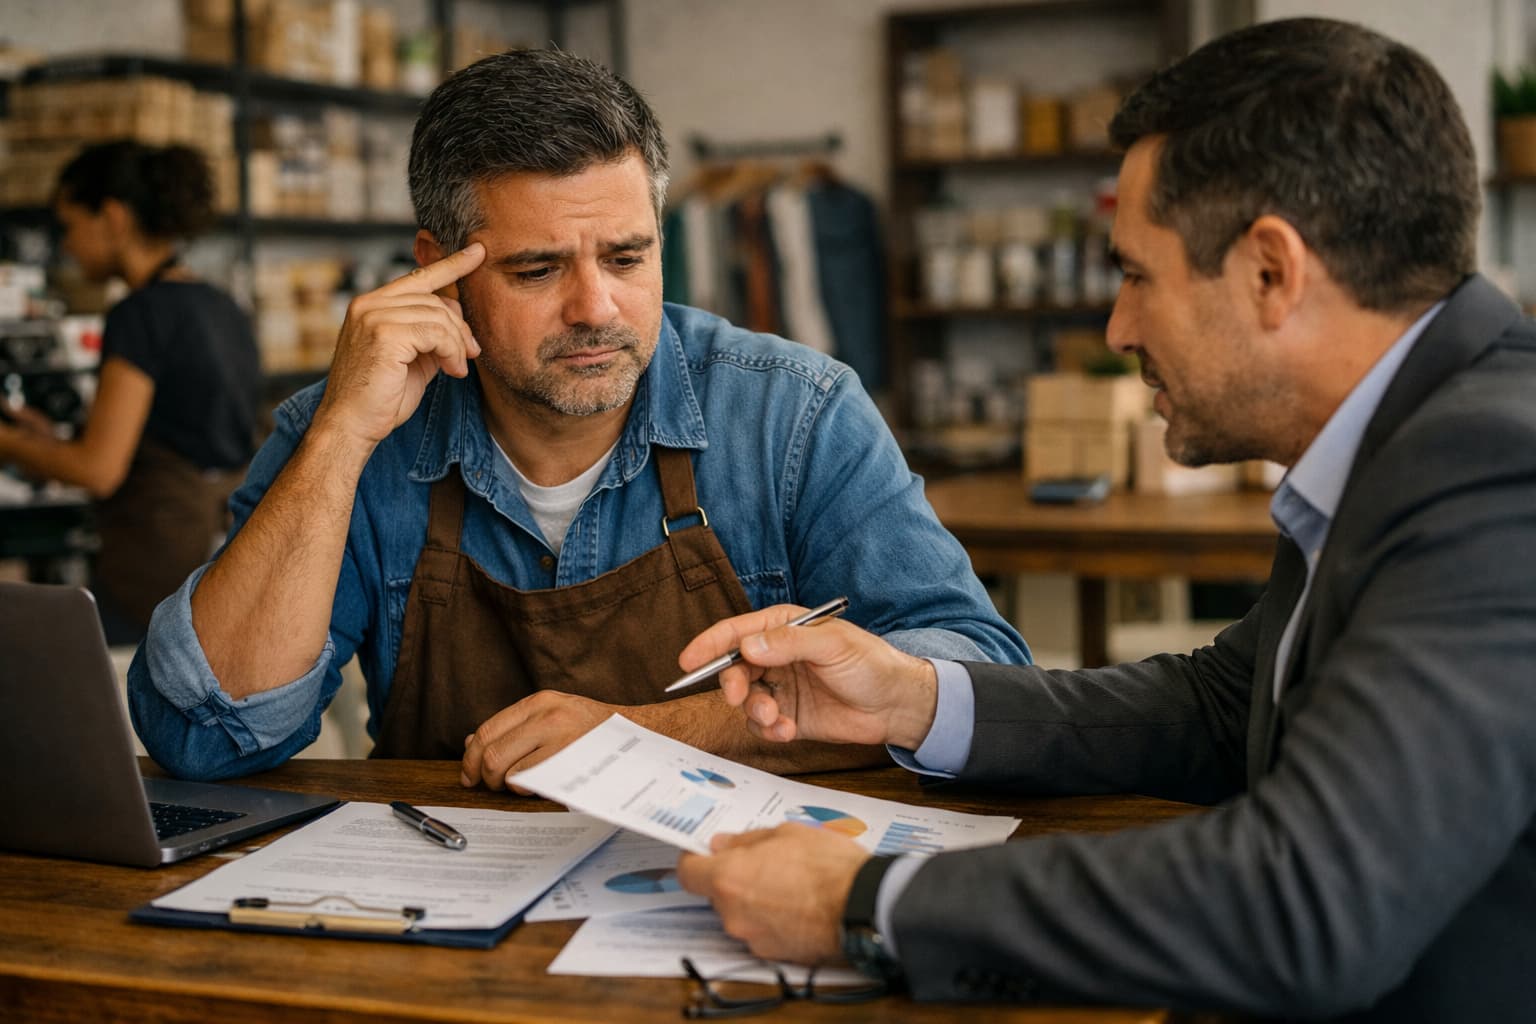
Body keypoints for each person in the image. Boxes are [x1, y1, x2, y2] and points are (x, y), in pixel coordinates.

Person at [674, 18, 1536, 1022]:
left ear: (1271, 271)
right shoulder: (1415, 439)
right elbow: (1226, 708)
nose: (1118, 327)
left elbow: (1302, 902)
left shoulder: (1496, 472)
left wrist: (867, 901)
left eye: (1136, 274)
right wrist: (913, 699)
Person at [126, 48, 1027, 784]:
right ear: (437, 269)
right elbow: (205, 736)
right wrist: (338, 441)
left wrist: (646, 738)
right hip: (444, 899)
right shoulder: (350, 429)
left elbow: (975, 680)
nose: (596, 308)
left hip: (735, 894)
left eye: (627, 258)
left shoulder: (793, 413)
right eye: (537, 269)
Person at [0, 141, 259, 644]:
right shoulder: (221, 305)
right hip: (221, 560)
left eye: (71, 225)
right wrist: (48, 441)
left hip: (153, 573)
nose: (67, 245)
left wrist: (9, 443)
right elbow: (184, 433)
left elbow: (98, 470)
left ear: (113, 217)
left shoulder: (139, 315)